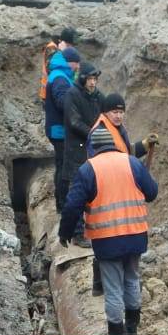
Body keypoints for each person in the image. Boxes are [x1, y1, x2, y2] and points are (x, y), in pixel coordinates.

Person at [59, 123, 158, 335]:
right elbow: (152, 192)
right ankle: (132, 331)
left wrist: (65, 233)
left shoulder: (88, 169)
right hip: (135, 235)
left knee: (113, 287)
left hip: (107, 239)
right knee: (132, 279)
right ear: (113, 144)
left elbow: (72, 205)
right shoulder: (132, 163)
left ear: (93, 148)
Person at [61, 61, 103, 226]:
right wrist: (95, 134)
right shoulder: (72, 94)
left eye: (95, 79)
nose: (93, 82)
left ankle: (92, 223)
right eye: (90, 79)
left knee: (94, 187)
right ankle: (77, 231)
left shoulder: (97, 96)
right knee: (78, 190)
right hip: (77, 150)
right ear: (83, 79)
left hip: (93, 149)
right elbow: (74, 122)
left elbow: (106, 113)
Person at [45, 46, 80, 211]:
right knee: (64, 167)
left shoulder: (60, 74)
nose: (78, 67)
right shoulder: (60, 78)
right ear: (70, 63)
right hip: (60, 130)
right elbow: (62, 102)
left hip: (58, 129)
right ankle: (63, 204)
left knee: (61, 165)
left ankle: (61, 202)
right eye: (76, 63)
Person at [87, 93, 158, 159]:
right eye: (115, 112)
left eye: (121, 112)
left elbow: (127, 152)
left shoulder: (118, 127)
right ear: (106, 112)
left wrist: (145, 144)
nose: (118, 116)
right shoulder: (99, 133)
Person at [39, 27, 78, 102]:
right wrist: (62, 51)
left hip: (61, 90)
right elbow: (50, 68)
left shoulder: (65, 49)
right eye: (70, 45)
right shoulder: (52, 48)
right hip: (50, 92)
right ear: (64, 42)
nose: (72, 48)